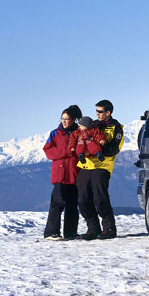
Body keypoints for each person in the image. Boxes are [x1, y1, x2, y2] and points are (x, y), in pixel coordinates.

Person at [77, 100, 124, 240]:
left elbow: (114, 148)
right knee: (83, 199)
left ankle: (109, 228)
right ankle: (92, 229)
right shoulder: (92, 125)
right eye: (96, 111)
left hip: (102, 166)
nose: (97, 114)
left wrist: (96, 149)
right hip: (86, 165)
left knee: (100, 198)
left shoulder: (116, 128)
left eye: (100, 111)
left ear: (108, 113)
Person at [43, 105, 83, 241]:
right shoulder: (54, 133)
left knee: (72, 203)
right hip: (60, 173)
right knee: (57, 202)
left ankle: (71, 232)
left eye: (67, 119)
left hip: (74, 172)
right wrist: (65, 152)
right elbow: (48, 151)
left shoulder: (79, 132)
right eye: (62, 119)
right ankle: (51, 232)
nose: (64, 121)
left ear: (73, 120)